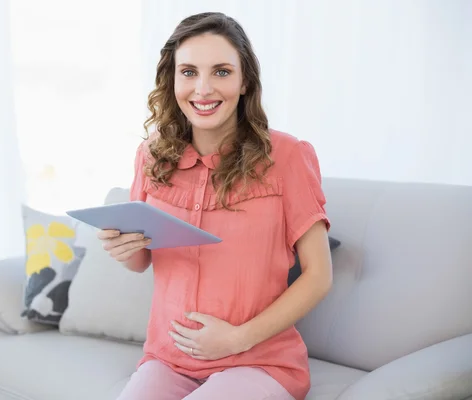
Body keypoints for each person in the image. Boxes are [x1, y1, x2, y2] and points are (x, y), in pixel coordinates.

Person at [98, 12, 333, 400]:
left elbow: (318, 276)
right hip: (168, 359)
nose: (203, 89)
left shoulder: (289, 156)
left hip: (259, 361)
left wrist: (237, 339)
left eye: (221, 72)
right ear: (172, 80)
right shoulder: (150, 155)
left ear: (244, 83)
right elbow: (141, 261)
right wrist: (123, 249)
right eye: (188, 72)